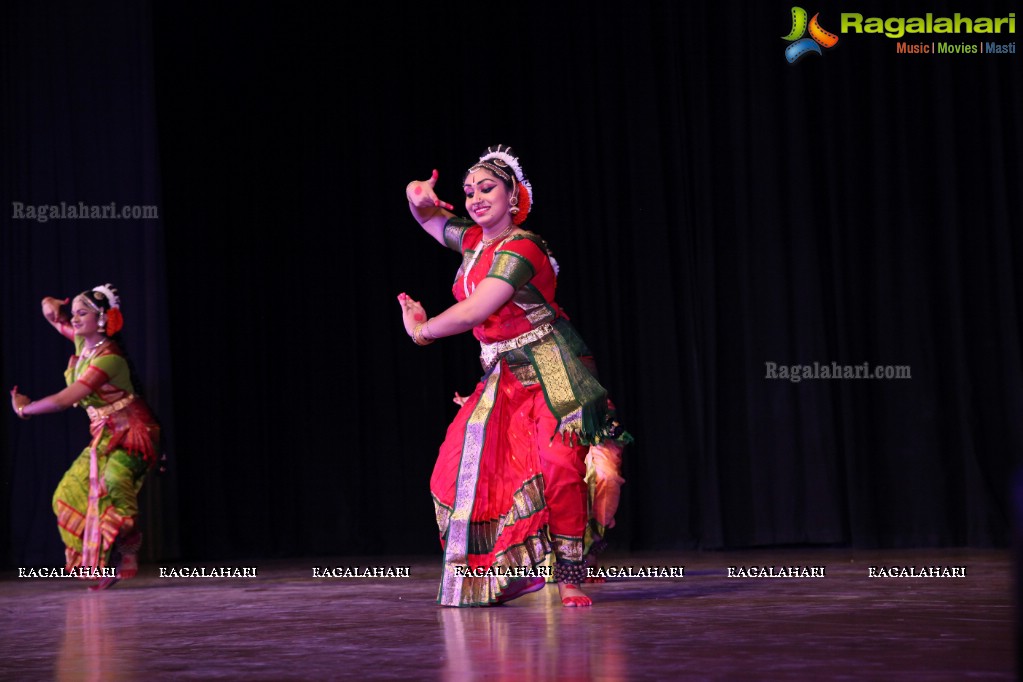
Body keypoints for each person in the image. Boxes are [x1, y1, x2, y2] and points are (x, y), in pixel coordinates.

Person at [398, 145, 630, 607]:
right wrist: (417, 194)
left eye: (487, 189)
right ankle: (507, 572)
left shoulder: (523, 247)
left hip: (554, 365)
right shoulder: (472, 242)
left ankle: (569, 576)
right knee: (462, 470)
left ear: (513, 197)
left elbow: (478, 308)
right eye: (467, 192)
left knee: (561, 465)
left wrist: (422, 331)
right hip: (503, 372)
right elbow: (426, 218)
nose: (475, 198)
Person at [10, 284, 160, 590]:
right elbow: (54, 317)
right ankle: (97, 566)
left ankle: (129, 543)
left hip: (133, 432)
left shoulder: (110, 359)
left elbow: (65, 400)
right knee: (67, 494)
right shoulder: (84, 345)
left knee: (115, 483)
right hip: (102, 434)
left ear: (103, 319)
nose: (75, 319)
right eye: (74, 313)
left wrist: (25, 409)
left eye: (83, 313)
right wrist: (48, 302)